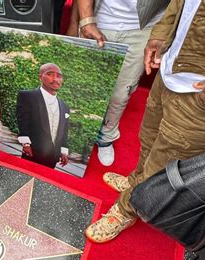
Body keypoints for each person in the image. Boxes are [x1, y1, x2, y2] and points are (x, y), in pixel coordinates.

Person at [85, 0, 205, 243]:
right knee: (150, 139)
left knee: (162, 164)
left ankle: (126, 210)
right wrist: (162, 33)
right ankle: (135, 183)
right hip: (172, 69)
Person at [69, 0, 169, 166]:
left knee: (121, 93)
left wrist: (163, 32)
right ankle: (75, 135)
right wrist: (84, 20)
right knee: (84, 86)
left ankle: (106, 136)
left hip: (145, 27)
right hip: (101, 18)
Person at [16, 63, 70, 169]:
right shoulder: (27, 96)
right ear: (40, 77)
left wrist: (63, 151)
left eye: (59, 76)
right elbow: (23, 120)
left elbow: (64, 130)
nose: (55, 79)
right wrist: (26, 144)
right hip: (33, 151)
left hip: (53, 156)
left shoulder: (65, 106)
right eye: (50, 74)